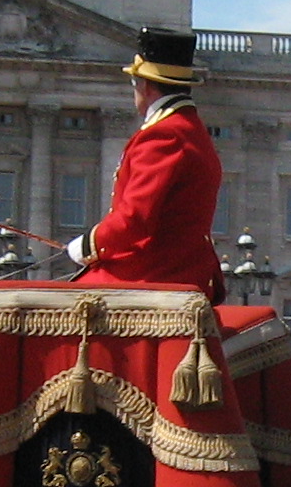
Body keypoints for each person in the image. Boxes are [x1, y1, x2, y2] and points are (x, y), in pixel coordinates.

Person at [67, 27, 224, 303]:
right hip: (176, 266)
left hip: (155, 271)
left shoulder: (164, 134)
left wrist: (87, 244)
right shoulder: (189, 128)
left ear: (145, 84)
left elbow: (134, 219)